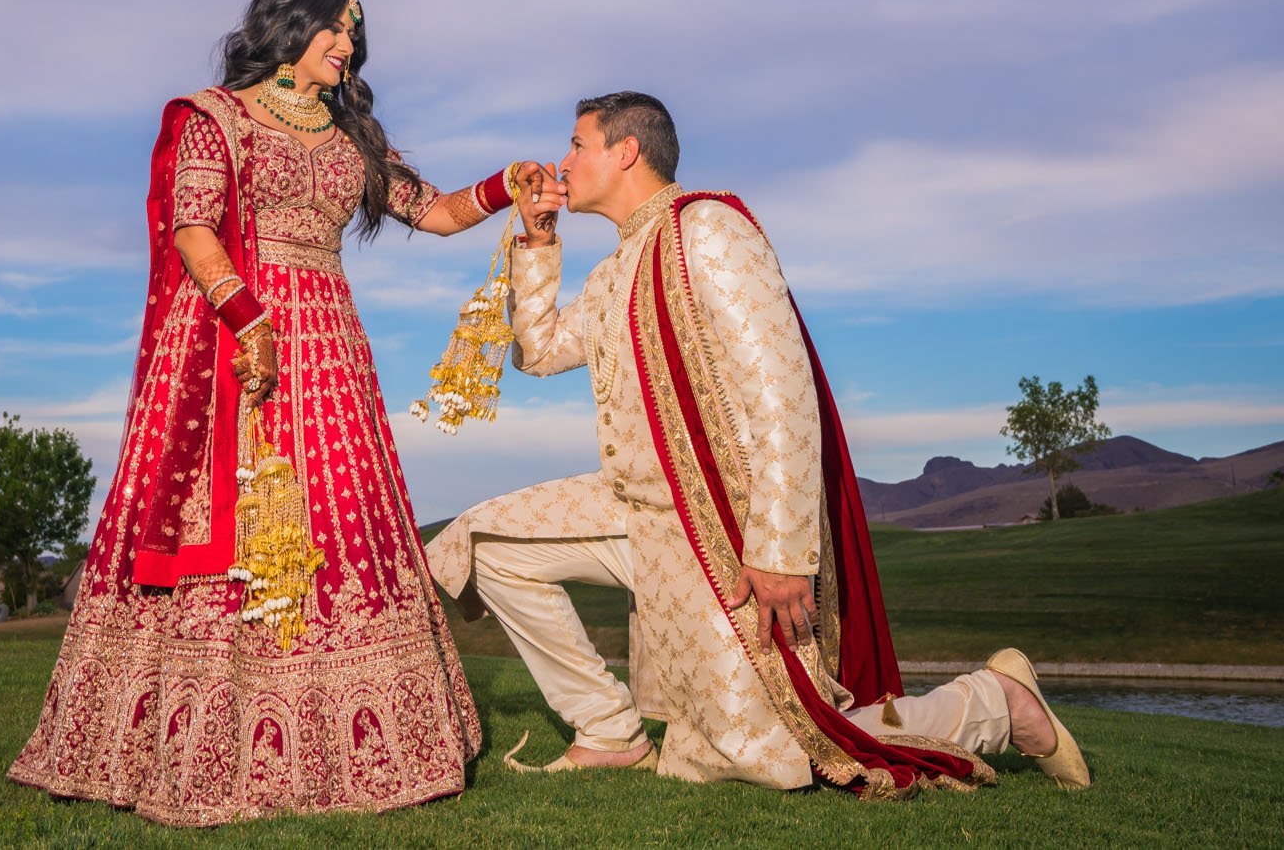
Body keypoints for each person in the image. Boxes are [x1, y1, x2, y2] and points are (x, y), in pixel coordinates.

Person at [426, 92, 1091, 797]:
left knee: (770, 751)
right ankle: (606, 731)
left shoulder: (708, 229)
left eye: (577, 144)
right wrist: (536, 239)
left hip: (715, 525)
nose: (563, 162)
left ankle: (997, 700)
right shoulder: (613, 272)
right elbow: (536, 350)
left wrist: (779, 549)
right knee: (482, 543)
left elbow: (783, 390)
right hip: (632, 508)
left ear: (625, 151)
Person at [8, 0, 532, 826]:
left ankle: (356, 743)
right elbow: (192, 225)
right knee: (249, 522)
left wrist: (508, 182)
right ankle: (201, 743)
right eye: (335, 28)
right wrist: (247, 317)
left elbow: (431, 210)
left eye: (354, 35)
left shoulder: (351, 132)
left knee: (341, 515)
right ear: (290, 25)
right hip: (237, 347)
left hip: (330, 350)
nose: (349, 46)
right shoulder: (217, 116)